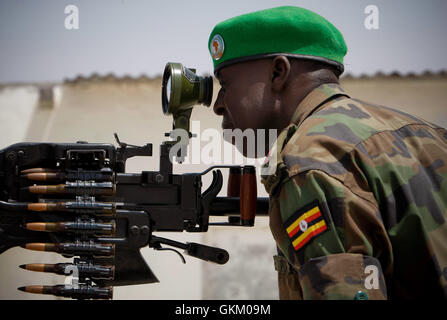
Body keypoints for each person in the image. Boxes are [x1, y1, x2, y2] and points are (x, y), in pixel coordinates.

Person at [208, 6, 447, 300]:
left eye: (225, 84)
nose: (218, 105)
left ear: (278, 73)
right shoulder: (425, 133)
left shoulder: (309, 160)